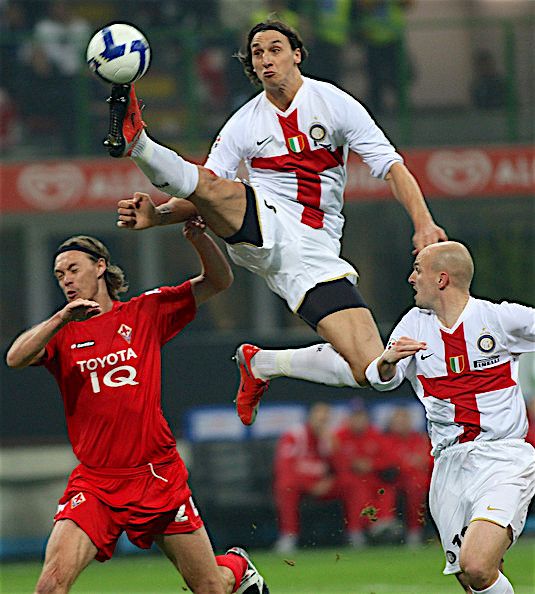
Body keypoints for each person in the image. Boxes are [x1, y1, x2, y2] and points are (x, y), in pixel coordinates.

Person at [105, 19, 447, 427]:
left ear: (296, 54)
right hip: (263, 219)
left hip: (315, 250)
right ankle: (138, 141)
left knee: (376, 372)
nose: (266, 59)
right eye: (257, 53)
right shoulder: (243, 124)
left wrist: (423, 222)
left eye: (275, 49)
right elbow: (204, 192)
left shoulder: (334, 103)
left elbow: (391, 166)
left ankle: (262, 363)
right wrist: (159, 215)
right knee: (217, 187)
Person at [5, 213, 269, 594]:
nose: (65, 279)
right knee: (49, 587)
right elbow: (14, 358)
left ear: (100, 267)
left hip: (156, 476)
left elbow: (219, 281)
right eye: (59, 273)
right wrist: (61, 318)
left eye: (73, 268)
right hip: (97, 483)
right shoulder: (61, 333)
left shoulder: (145, 312)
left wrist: (199, 239)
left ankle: (237, 565)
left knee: (211, 587)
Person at [365, 241, 535, 594]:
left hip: (502, 457)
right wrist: (387, 361)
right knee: (473, 580)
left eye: (418, 270)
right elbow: (384, 380)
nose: (411, 278)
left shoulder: (498, 318)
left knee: (476, 564)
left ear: (442, 279)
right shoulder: (413, 324)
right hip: (448, 466)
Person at [272, 401, 360, 552]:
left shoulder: (330, 438)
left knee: (351, 483)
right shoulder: (295, 435)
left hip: (323, 485)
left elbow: (342, 470)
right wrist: (310, 485)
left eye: (325, 420)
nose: (321, 423)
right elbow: (285, 469)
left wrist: (334, 447)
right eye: (319, 418)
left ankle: (355, 533)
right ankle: (288, 536)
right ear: (310, 417)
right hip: (301, 485)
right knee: (286, 485)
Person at [332, 397, 398, 547]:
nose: (358, 420)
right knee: (357, 488)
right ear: (348, 418)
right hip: (347, 480)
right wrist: (353, 464)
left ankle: (384, 523)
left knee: (385, 488)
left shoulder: (374, 434)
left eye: (361, 416)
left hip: (371, 479)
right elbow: (335, 462)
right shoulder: (339, 436)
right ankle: (356, 531)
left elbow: (390, 460)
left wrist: (371, 464)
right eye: (354, 416)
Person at [381, 406, 432, 546]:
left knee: (416, 485)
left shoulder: (419, 439)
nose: (402, 423)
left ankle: (416, 532)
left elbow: (428, 460)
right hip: (394, 481)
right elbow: (388, 463)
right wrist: (409, 464)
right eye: (398, 420)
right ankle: (384, 524)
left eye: (405, 419)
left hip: (420, 483)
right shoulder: (386, 440)